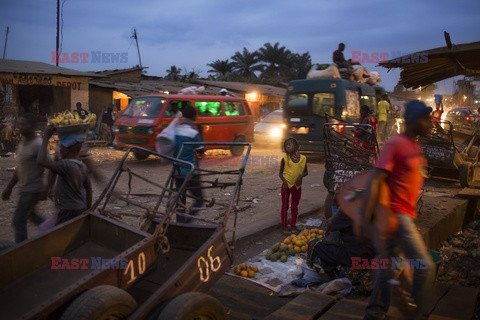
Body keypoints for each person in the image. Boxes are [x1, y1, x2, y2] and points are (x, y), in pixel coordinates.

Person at [363, 100, 435, 320]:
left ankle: (374, 312)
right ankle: (414, 314)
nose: (431, 123)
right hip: (396, 214)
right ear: (413, 121)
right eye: (426, 119)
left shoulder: (415, 145)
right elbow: (376, 179)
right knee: (425, 266)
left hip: (405, 214)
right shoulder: (396, 143)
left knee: (389, 266)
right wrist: (367, 217)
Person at [1, 114, 45, 243]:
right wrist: (9, 187)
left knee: (18, 220)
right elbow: (19, 168)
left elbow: (48, 165)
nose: (20, 127)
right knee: (33, 216)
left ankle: (21, 250)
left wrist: (47, 187)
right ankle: (57, 228)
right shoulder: (22, 143)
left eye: (23, 124)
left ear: (32, 126)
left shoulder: (38, 144)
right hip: (24, 188)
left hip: (32, 189)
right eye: (19, 124)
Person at [37, 126, 92, 225]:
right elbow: (88, 189)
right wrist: (88, 210)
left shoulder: (66, 166)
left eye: (60, 148)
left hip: (67, 211)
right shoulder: (82, 166)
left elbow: (41, 161)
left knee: (62, 234)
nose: (59, 151)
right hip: (80, 208)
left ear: (65, 150)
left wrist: (45, 138)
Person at [307, 209, 375, 279]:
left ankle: (329, 281)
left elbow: (330, 225)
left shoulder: (349, 208)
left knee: (314, 244)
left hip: (358, 257)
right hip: (373, 254)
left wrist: (340, 209)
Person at [173, 105, 204, 223]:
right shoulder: (193, 133)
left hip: (177, 171)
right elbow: (201, 150)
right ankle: (187, 221)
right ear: (193, 117)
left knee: (181, 199)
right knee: (199, 199)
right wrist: (201, 133)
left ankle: (180, 223)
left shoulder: (176, 130)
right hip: (191, 172)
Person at [279, 138, 308, 233]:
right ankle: (283, 226)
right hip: (286, 186)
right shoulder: (284, 159)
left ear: (296, 145)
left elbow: (306, 172)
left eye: (290, 144)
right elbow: (280, 174)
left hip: (297, 186)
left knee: (294, 206)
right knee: (285, 206)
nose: (288, 146)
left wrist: (301, 176)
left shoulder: (303, 158)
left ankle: (293, 225)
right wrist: (285, 182)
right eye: (286, 145)